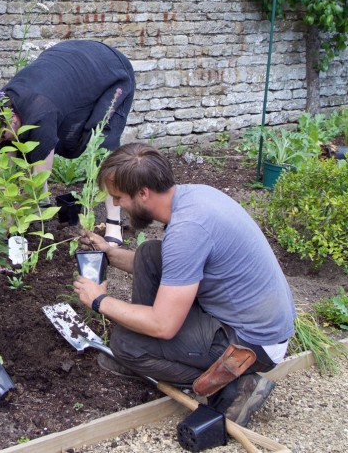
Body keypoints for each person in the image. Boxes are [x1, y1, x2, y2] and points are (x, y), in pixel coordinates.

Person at [73, 142, 296, 427]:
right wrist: (110, 254)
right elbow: (177, 268)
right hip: (254, 323)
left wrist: (99, 301)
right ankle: (147, 352)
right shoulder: (194, 197)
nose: (116, 205)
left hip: (251, 346)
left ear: (143, 193)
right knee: (149, 254)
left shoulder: (187, 231)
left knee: (125, 342)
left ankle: (233, 384)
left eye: (118, 197)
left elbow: (164, 325)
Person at [0, 39, 135, 243]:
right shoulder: (1, 105)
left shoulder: (41, 113)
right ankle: (44, 206)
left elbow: (41, 172)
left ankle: (114, 224)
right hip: (71, 60)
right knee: (22, 148)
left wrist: (19, 211)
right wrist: (2, 212)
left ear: (13, 119)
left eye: (1, 136)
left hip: (110, 71)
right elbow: (5, 165)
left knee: (105, 148)